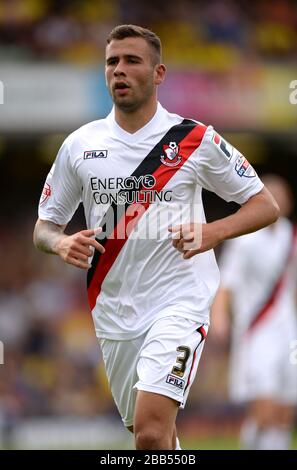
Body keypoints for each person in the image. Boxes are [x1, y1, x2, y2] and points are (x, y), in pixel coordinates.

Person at [33, 24, 279, 450]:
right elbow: (44, 226)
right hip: (114, 313)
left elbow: (265, 205)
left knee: (149, 430)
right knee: (154, 439)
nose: (119, 71)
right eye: (112, 62)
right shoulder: (78, 146)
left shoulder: (194, 139)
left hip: (180, 300)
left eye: (132, 61)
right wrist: (60, 242)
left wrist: (211, 232)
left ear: (159, 73)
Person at [211, 175, 297, 450]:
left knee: (285, 410)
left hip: (288, 332)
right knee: (264, 408)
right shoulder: (246, 239)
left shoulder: (290, 236)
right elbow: (227, 283)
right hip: (257, 330)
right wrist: (220, 317)